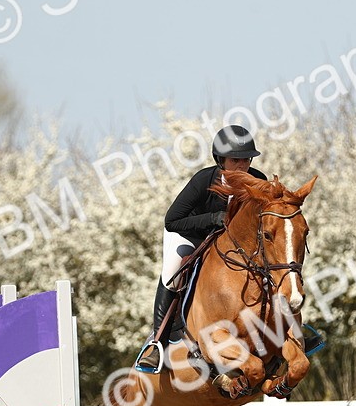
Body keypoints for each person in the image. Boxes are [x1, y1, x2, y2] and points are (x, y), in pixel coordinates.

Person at [134, 125, 322, 373]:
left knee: (272, 268)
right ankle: (157, 342)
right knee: (172, 274)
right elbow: (172, 220)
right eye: (236, 160)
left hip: (234, 242)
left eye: (246, 159)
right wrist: (213, 218)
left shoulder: (258, 180)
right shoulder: (204, 180)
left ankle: (292, 330)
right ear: (221, 159)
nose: (242, 165)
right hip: (191, 234)